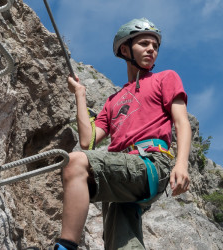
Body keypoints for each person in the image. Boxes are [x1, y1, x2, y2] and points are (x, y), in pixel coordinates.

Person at [53, 18, 192, 250]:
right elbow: (87, 142)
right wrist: (79, 94)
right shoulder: (112, 102)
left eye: (155, 46)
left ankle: (65, 247)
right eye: (145, 43)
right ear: (125, 49)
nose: (152, 49)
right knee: (121, 245)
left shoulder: (165, 78)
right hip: (122, 173)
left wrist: (182, 164)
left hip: (149, 162)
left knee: (75, 162)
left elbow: (182, 121)